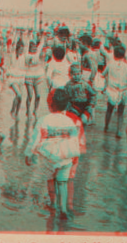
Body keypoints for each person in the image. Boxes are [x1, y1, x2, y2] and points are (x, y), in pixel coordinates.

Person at [25, 88, 83, 220]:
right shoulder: (69, 121)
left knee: (50, 180)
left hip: (49, 159)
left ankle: (53, 203)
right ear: (67, 105)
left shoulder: (44, 120)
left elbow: (35, 139)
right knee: (62, 183)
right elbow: (74, 141)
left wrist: (29, 154)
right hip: (66, 158)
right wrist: (74, 158)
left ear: (50, 104)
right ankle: (63, 208)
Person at [102, 45, 127, 138]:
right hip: (122, 91)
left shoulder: (110, 64)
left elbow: (103, 74)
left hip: (111, 91)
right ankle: (119, 131)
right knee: (121, 112)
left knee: (109, 110)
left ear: (114, 55)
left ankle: (106, 126)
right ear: (123, 56)